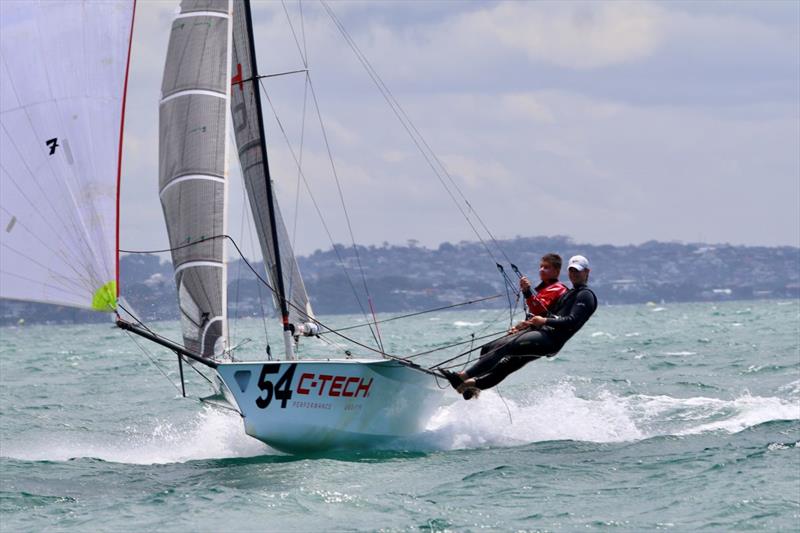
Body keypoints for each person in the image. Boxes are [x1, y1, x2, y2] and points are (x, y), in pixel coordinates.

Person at [442, 254, 597, 399]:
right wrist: (528, 324)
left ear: (587, 272)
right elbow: (550, 314)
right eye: (571, 270)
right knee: (504, 362)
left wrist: (544, 321)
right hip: (543, 335)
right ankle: (473, 384)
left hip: (551, 339)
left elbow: (571, 321)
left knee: (504, 346)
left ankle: (462, 377)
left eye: (578, 271)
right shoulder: (571, 293)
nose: (574, 274)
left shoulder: (586, 295)